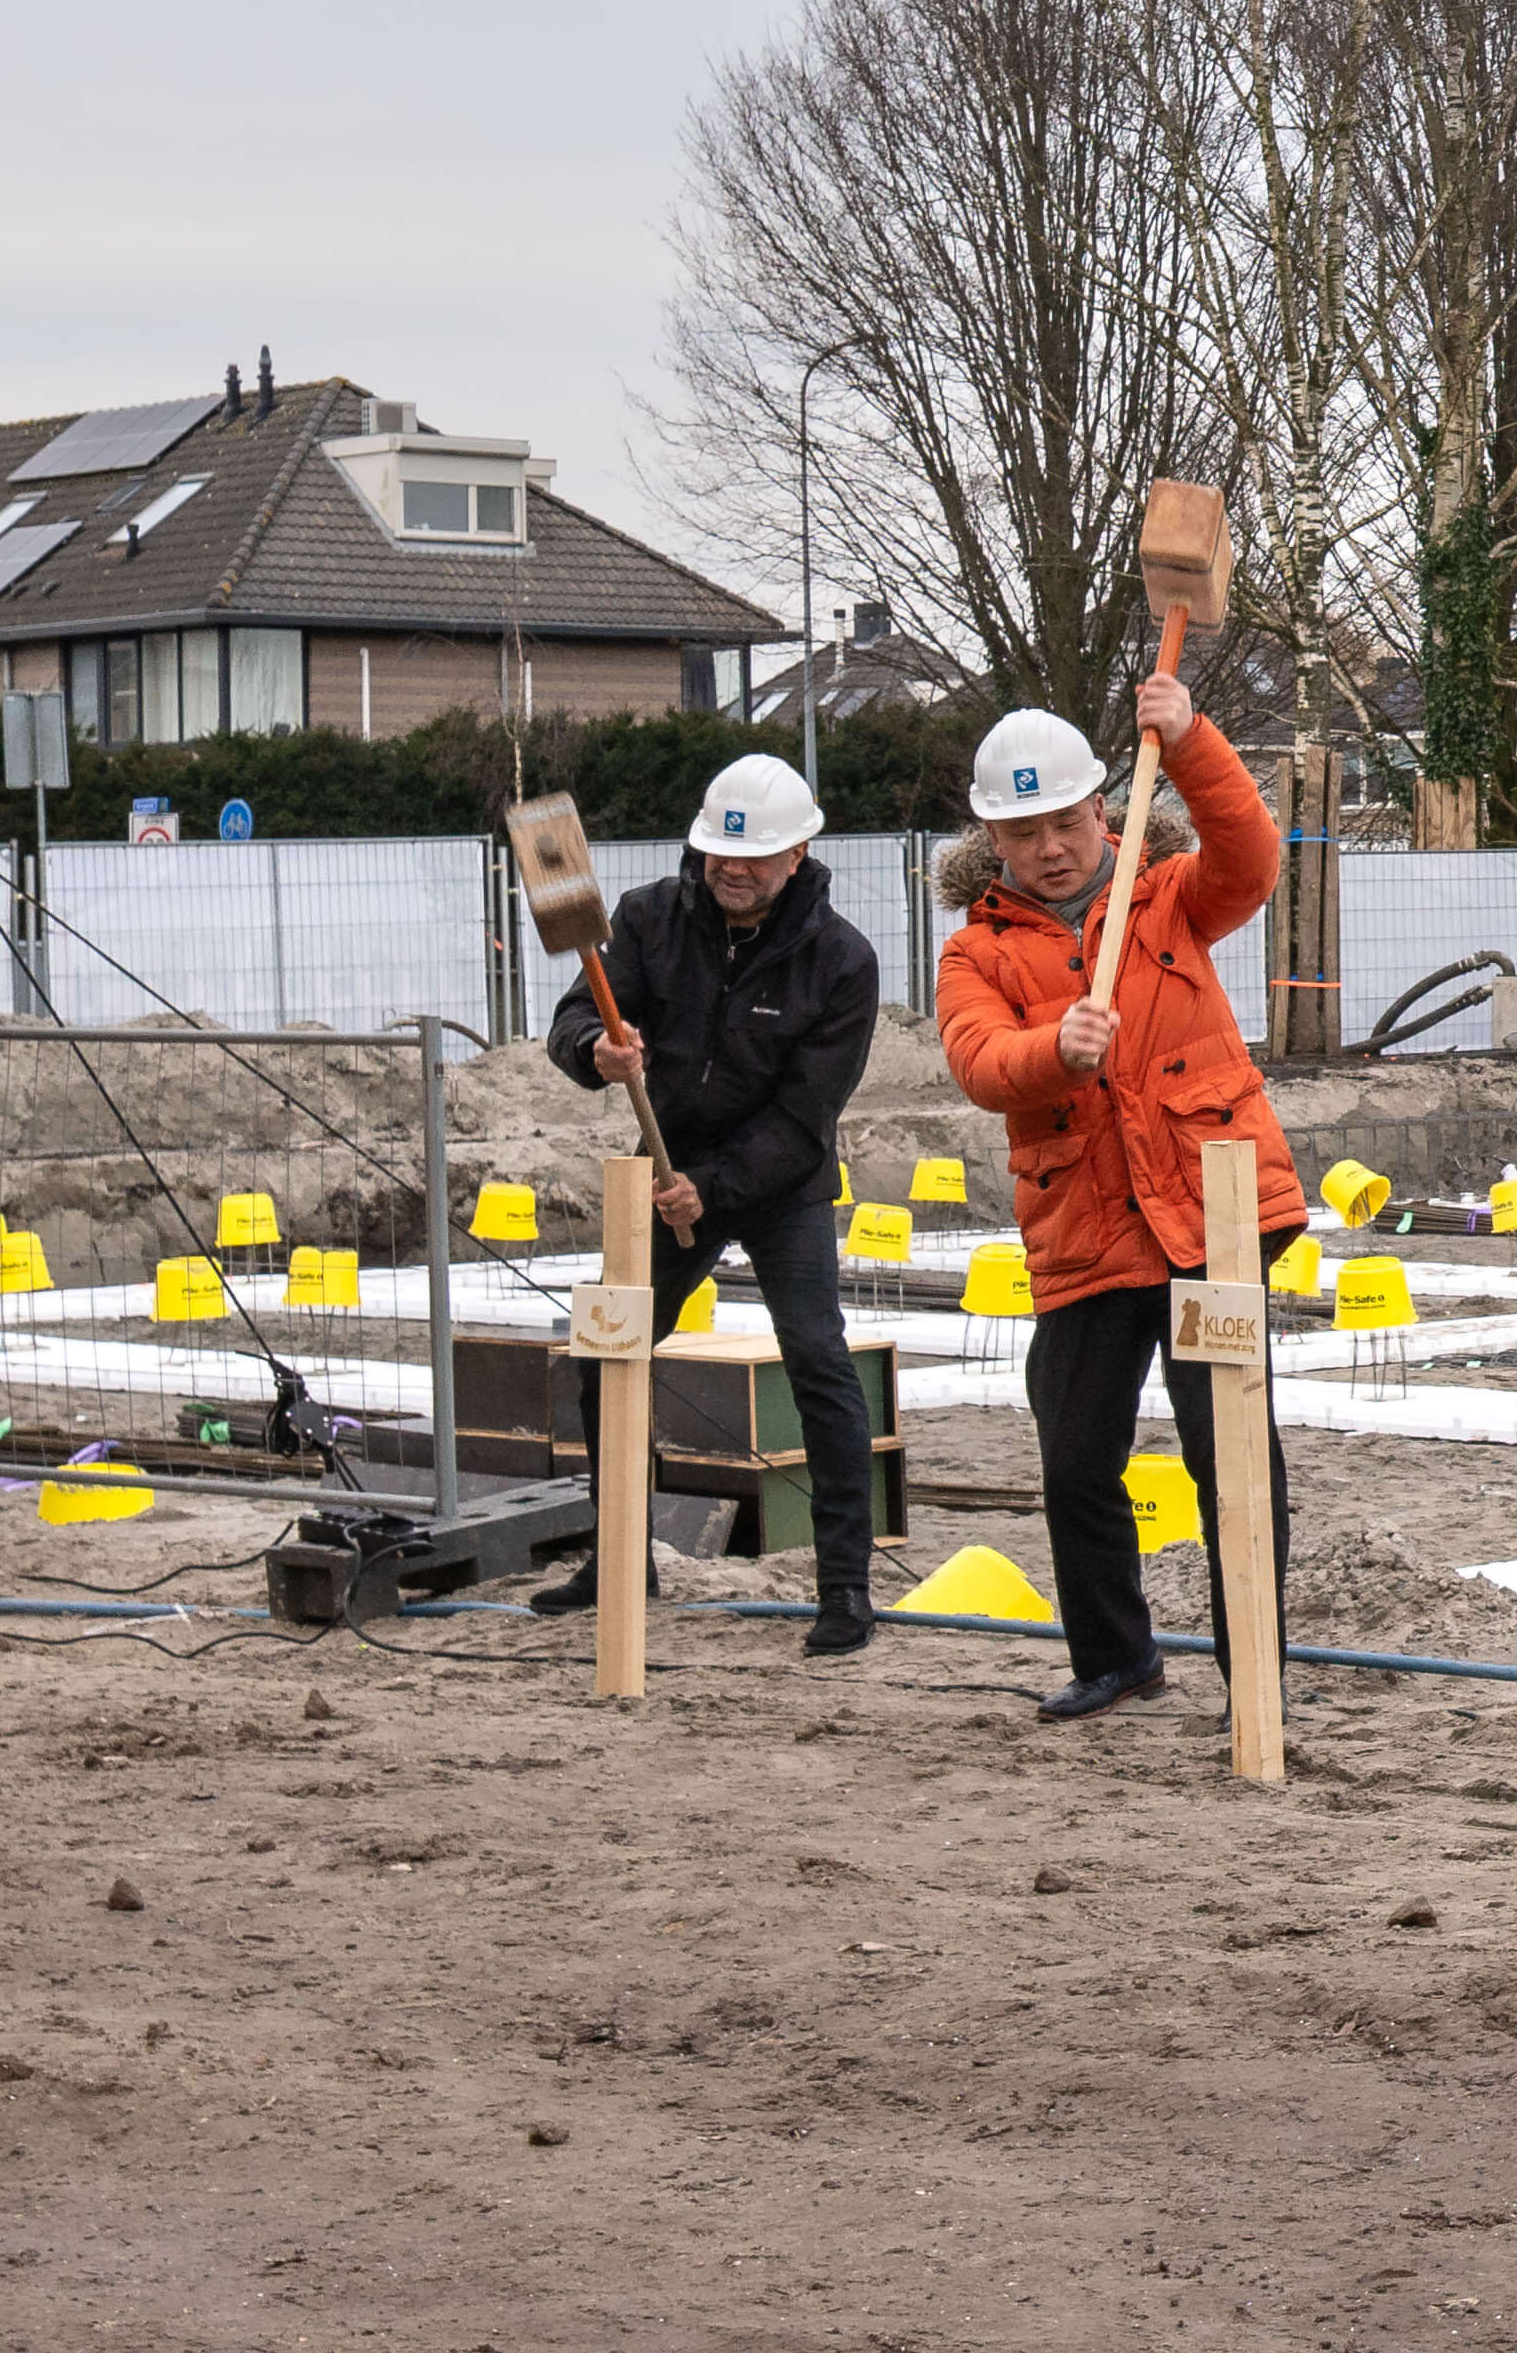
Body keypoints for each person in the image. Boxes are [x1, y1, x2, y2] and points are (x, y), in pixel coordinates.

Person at [932, 673, 1292, 1723]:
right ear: (992, 838)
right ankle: (1114, 1656)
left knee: (1230, 1453)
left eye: (1069, 820)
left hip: (1208, 1217)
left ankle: (1254, 1672)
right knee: (1076, 1453)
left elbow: (1252, 856)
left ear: (1102, 809)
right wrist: (1055, 1050)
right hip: (1087, 1231)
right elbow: (979, 1060)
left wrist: (1189, 741)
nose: (1051, 846)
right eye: (1024, 829)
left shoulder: (1170, 896)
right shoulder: (976, 950)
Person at [552, 750, 896, 1657]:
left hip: (781, 1183)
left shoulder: (842, 963)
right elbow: (575, 1017)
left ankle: (844, 1589)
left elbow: (804, 1118)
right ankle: (621, 1556)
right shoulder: (646, 919)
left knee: (820, 1362)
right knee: (606, 1353)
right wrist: (599, 1049)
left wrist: (710, 1188)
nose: (732, 872)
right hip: (666, 1162)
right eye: (718, 854)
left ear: (798, 854)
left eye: (753, 857)